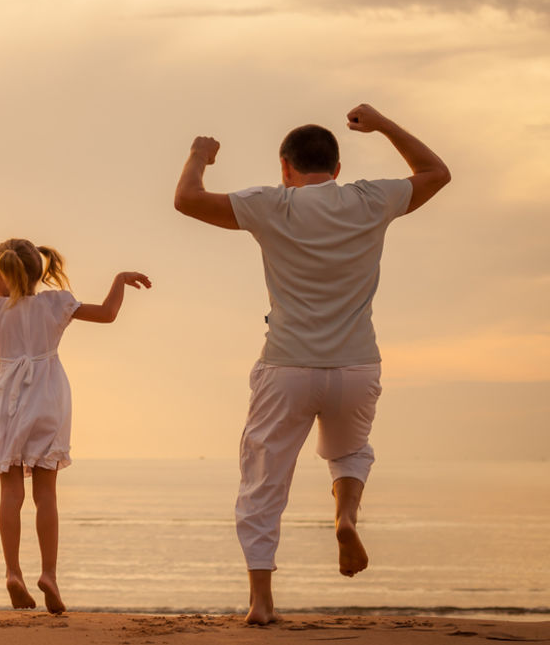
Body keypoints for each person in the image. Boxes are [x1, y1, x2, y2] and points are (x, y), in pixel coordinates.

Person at [172, 104, 450, 624]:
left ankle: (261, 599)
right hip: (356, 366)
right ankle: (344, 518)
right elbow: (436, 173)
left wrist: (199, 156)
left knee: (264, 478)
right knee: (350, 452)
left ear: (285, 167)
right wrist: (385, 124)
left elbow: (186, 199)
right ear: (337, 168)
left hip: (288, 367)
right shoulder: (372, 199)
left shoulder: (272, 205)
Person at [0, 239, 151, 614]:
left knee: (10, 493)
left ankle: (12, 573)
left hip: (5, 401)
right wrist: (118, 279)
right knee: (46, 494)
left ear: (3, 276)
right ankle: (50, 574)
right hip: (48, 399)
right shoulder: (56, 303)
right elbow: (107, 314)